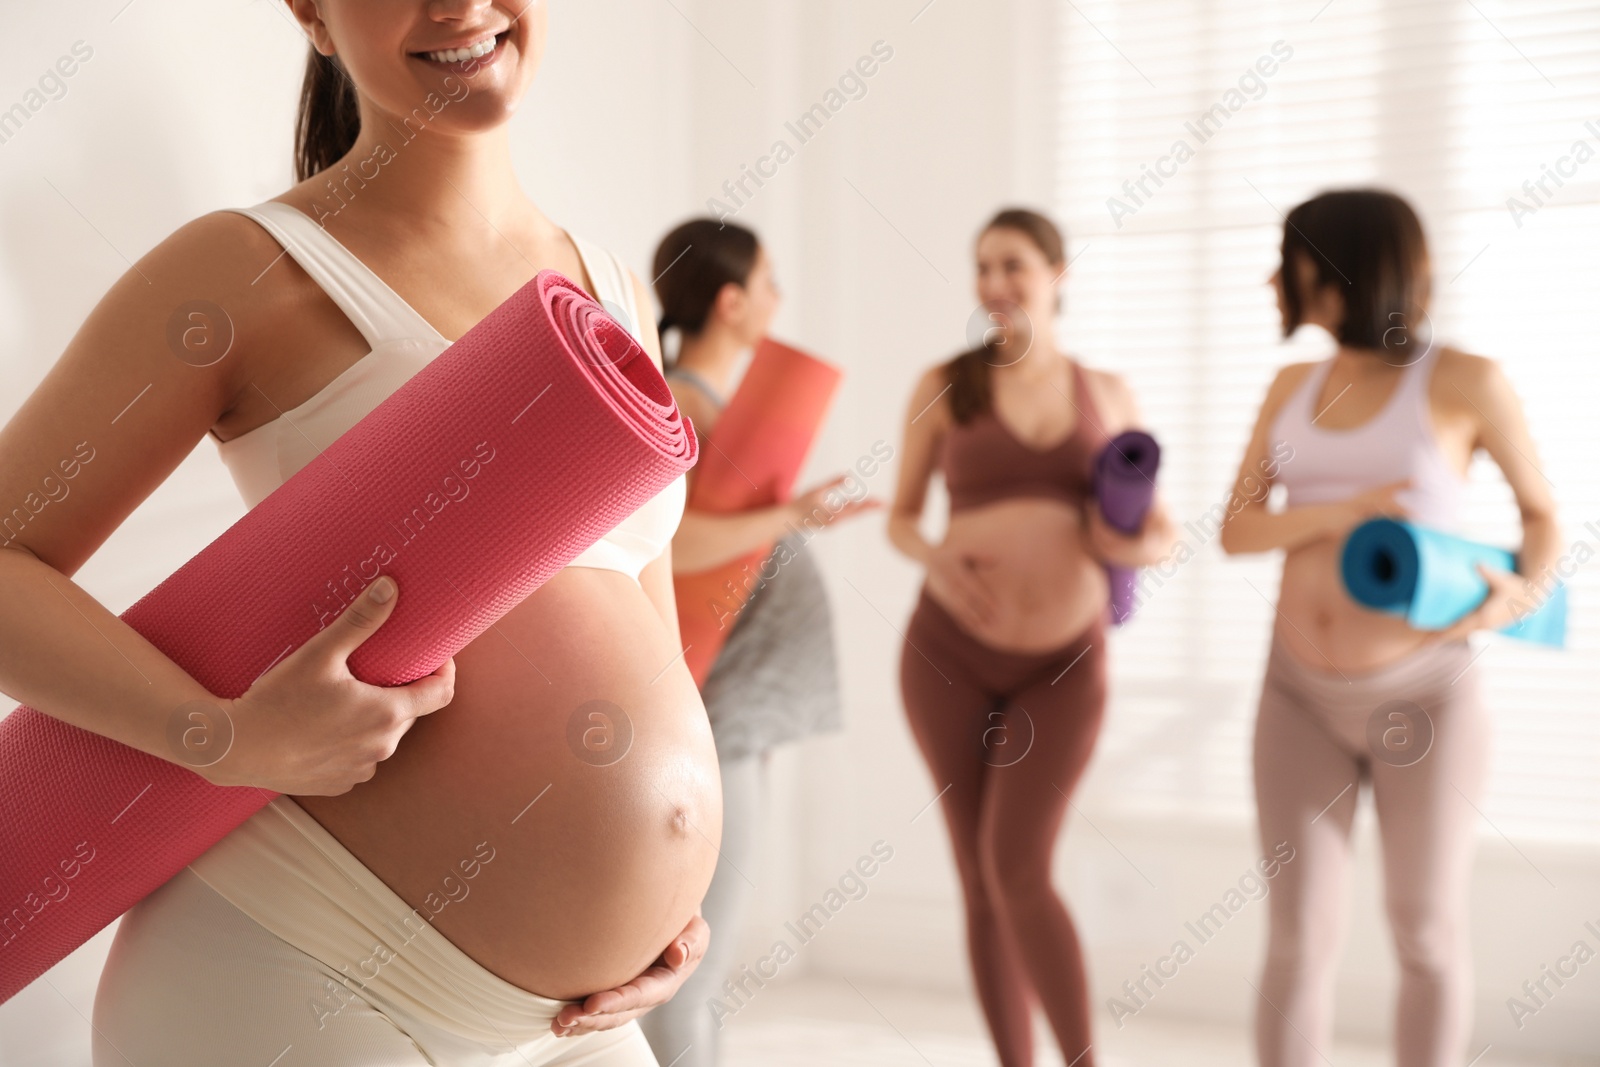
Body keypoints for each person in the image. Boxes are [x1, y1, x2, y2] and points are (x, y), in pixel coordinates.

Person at [0, 4, 722, 1064]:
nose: (461, 6)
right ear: (312, 12)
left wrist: (670, 881)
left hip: (577, 1016)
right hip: (304, 963)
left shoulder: (612, 290)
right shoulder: (246, 271)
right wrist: (222, 733)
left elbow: (646, 632)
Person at [1219, 188, 1561, 1067]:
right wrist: (1337, 516)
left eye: (1288, 260)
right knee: (1297, 938)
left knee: (1425, 931)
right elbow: (1237, 528)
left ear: (1336, 271)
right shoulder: (1293, 386)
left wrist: (1518, 593)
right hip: (1295, 690)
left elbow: (1542, 515)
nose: (1272, 278)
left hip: (1427, 693)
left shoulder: (1464, 379)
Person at [887, 207, 1177, 1067]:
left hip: (1066, 661)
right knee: (978, 879)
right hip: (947, 654)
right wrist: (939, 560)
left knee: (1019, 866)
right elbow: (902, 520)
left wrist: (1128, 542)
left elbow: (1161, 531)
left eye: (1013, 264)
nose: (994, 284)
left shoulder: (1109, 392)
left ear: (1059, 273)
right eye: (982, 267)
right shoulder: (947, 382)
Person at [637, 218, 876, 1067]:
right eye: (770, 281)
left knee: (705, 961)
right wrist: (791, 516)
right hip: (718, 703)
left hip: (741, 701)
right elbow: (674, 540)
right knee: (690, 963)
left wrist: (792, 515)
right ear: (732, 301)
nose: (780, 298)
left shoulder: (712, 405)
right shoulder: (677, 403)